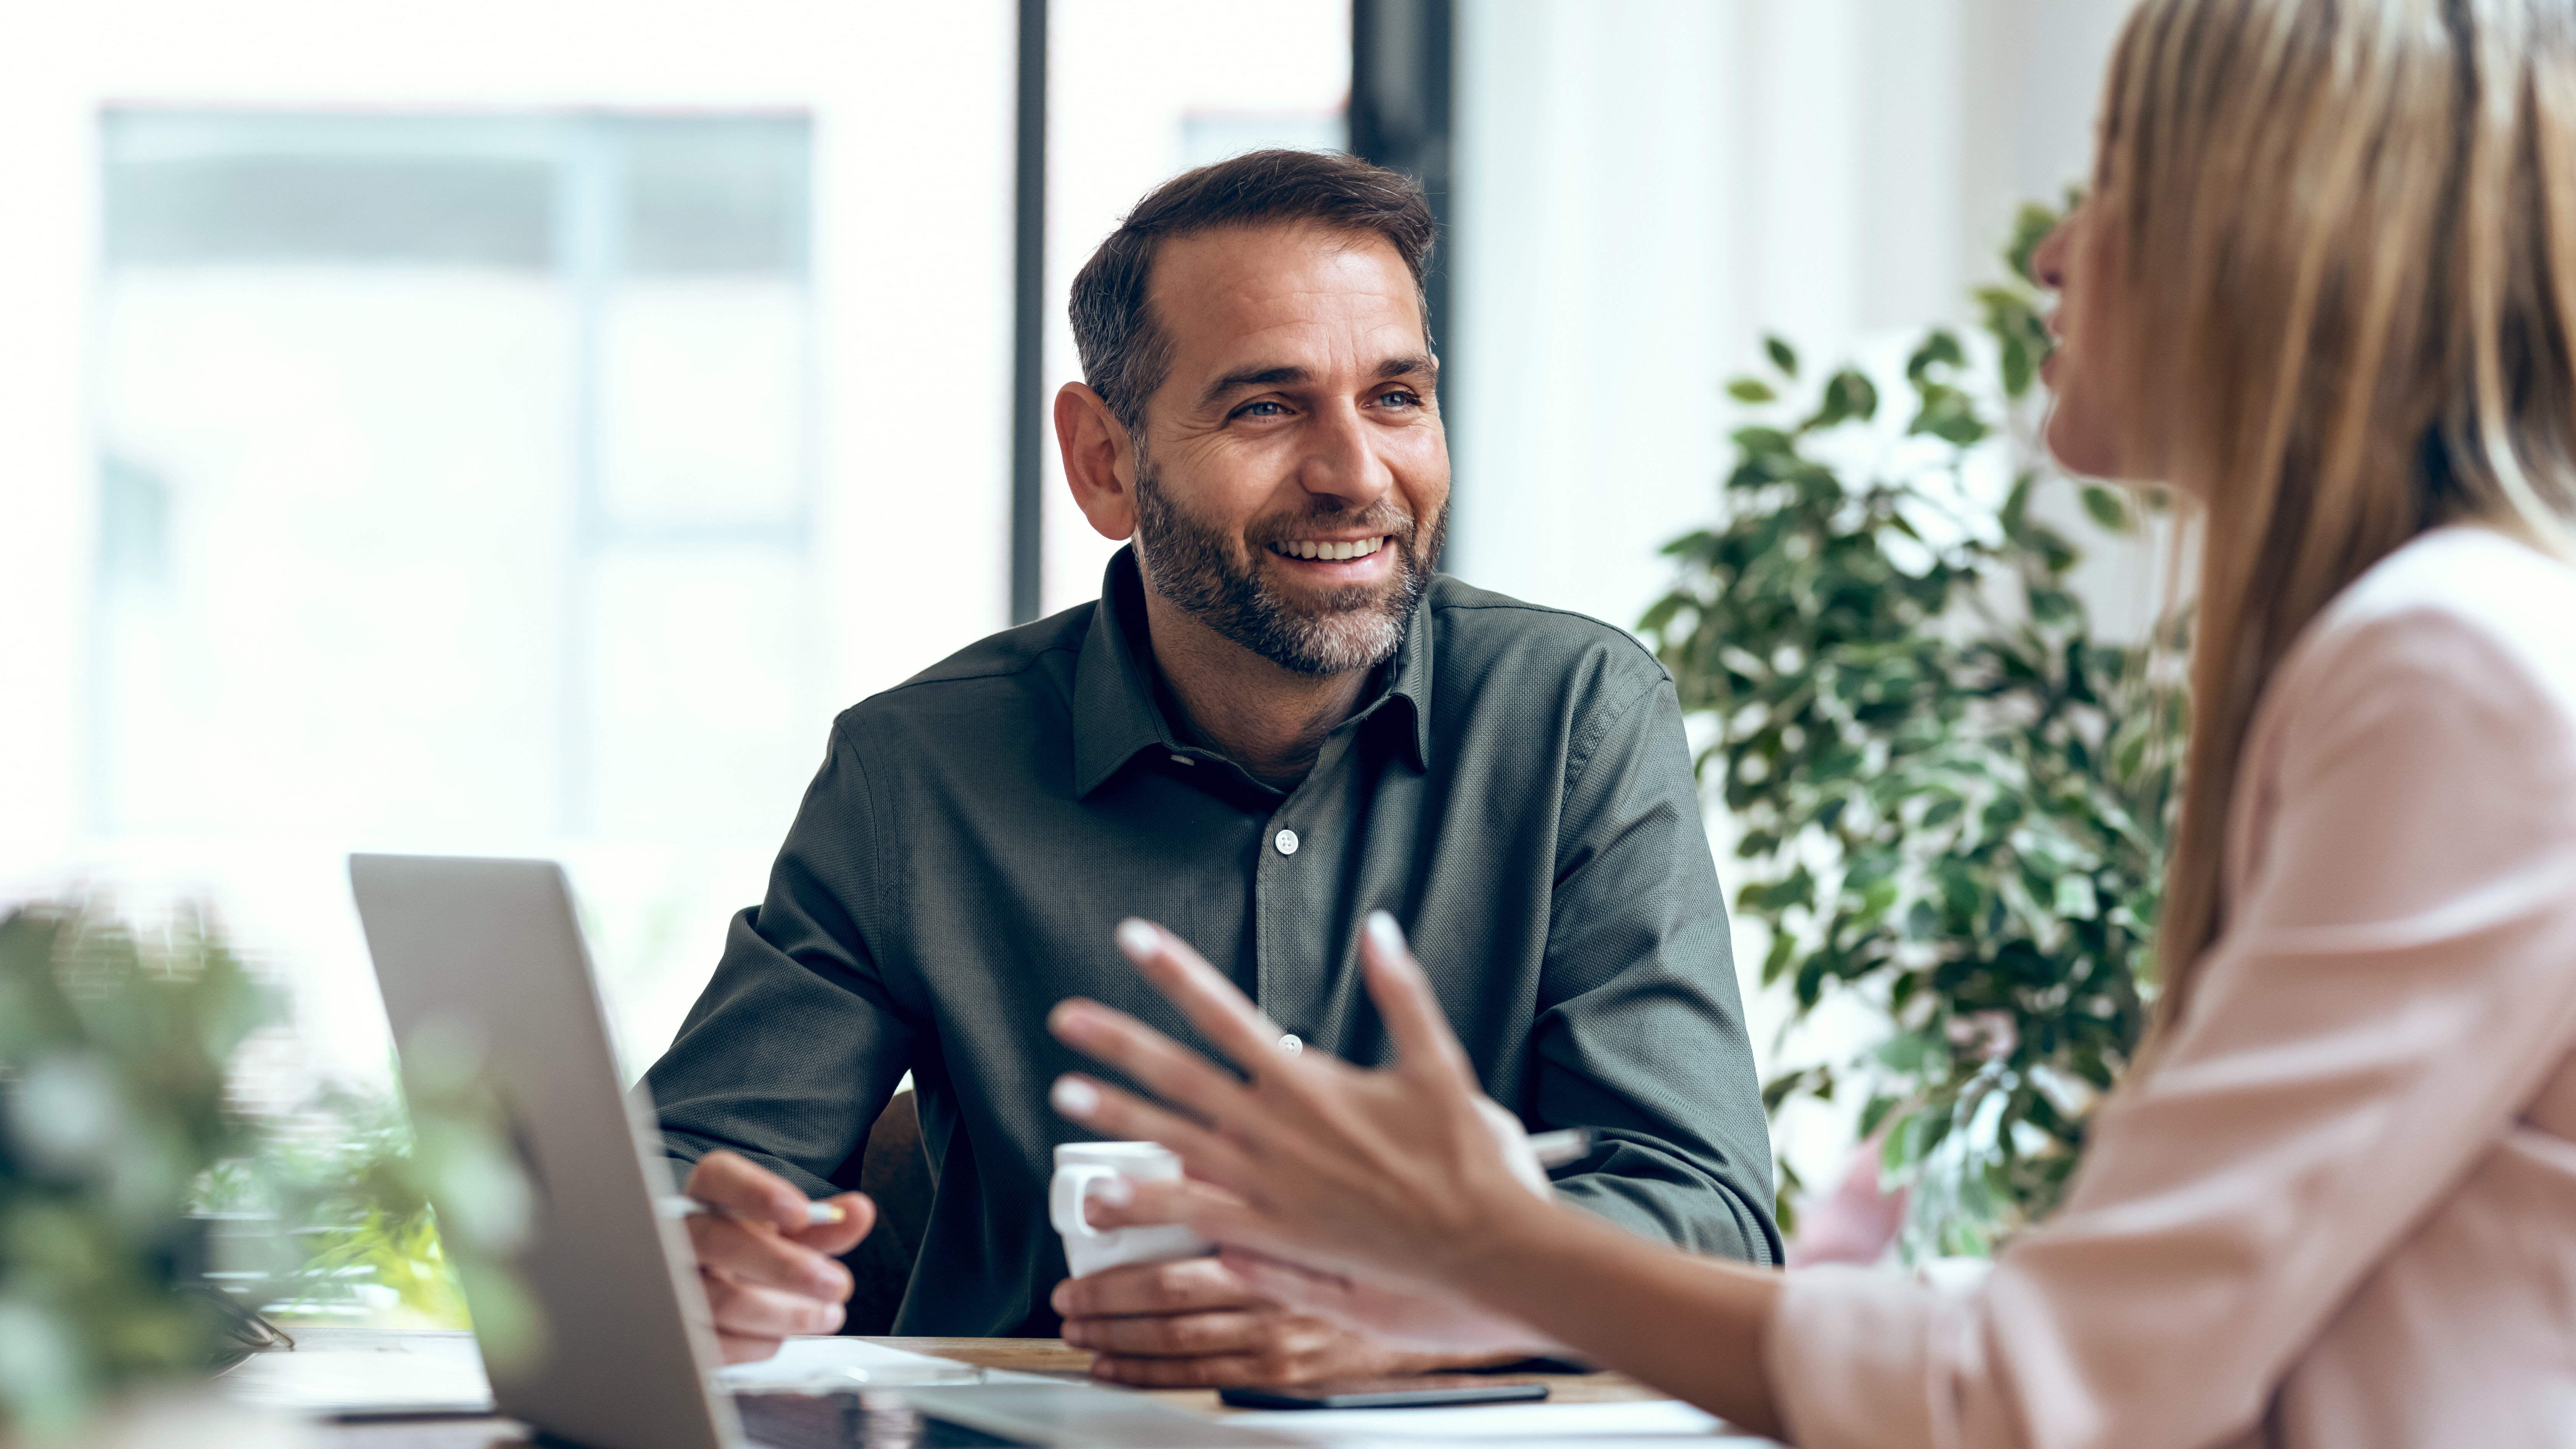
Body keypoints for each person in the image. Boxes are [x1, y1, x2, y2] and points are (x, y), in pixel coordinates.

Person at [1041, 0, 2576, 1442]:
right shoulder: (2440, 646)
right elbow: (2135, 1334)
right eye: (1262, 402)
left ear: (2276, 240)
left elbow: (2047, 1381)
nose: (2052, 250)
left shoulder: (2456, 665)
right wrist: (1487, 1272)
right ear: (1104, 459)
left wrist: (1495, 1246)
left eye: (2117, 180)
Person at [640, 148, 1780, 1383]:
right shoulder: (917, 769)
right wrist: (701, 1258)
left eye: (1396, 397)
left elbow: (1708, 1219)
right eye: (1266, 408)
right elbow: (681, 1169)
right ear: (1105, 462)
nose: (1356, 475)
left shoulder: (1576, 720)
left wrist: (1419, 1305)